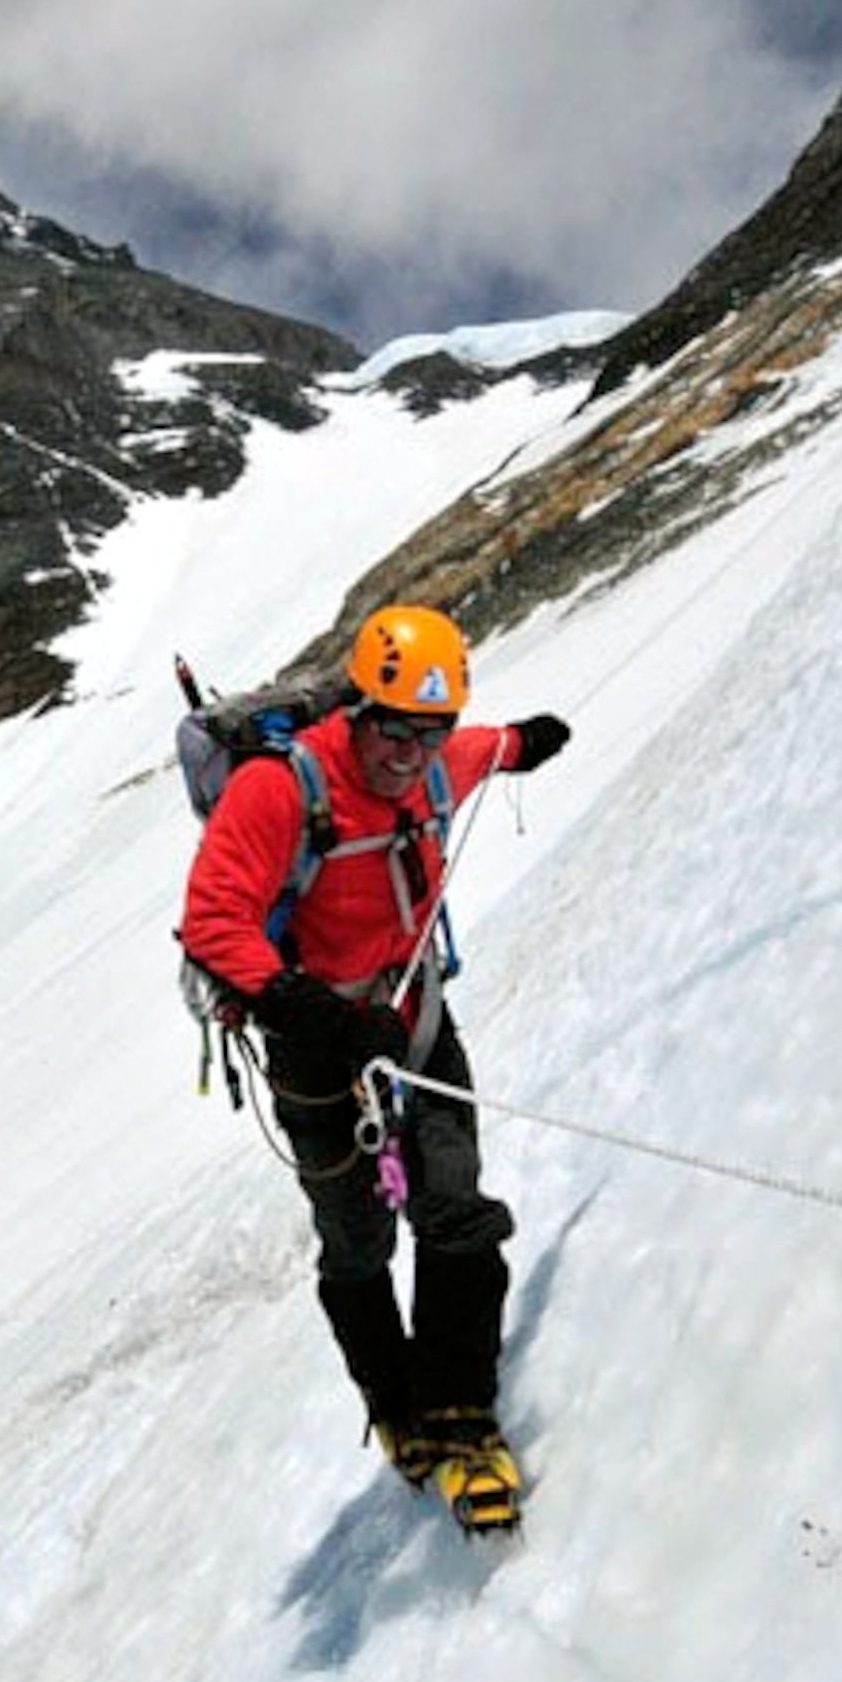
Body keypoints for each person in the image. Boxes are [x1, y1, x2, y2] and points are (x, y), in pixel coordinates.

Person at [178, 604, 568, 1527]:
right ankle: (396, 1407)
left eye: (428, 732)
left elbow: (480, 752)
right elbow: (213, 920)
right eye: (394, 728)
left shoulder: (436, 765)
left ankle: (461, 1412)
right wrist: (307, 1010)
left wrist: (522, 742)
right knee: (357, 1241)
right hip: (316, 1050)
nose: (410, 752)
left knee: (457, 1206)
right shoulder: (282, 789)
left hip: (414, 1021)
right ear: (360, 708)